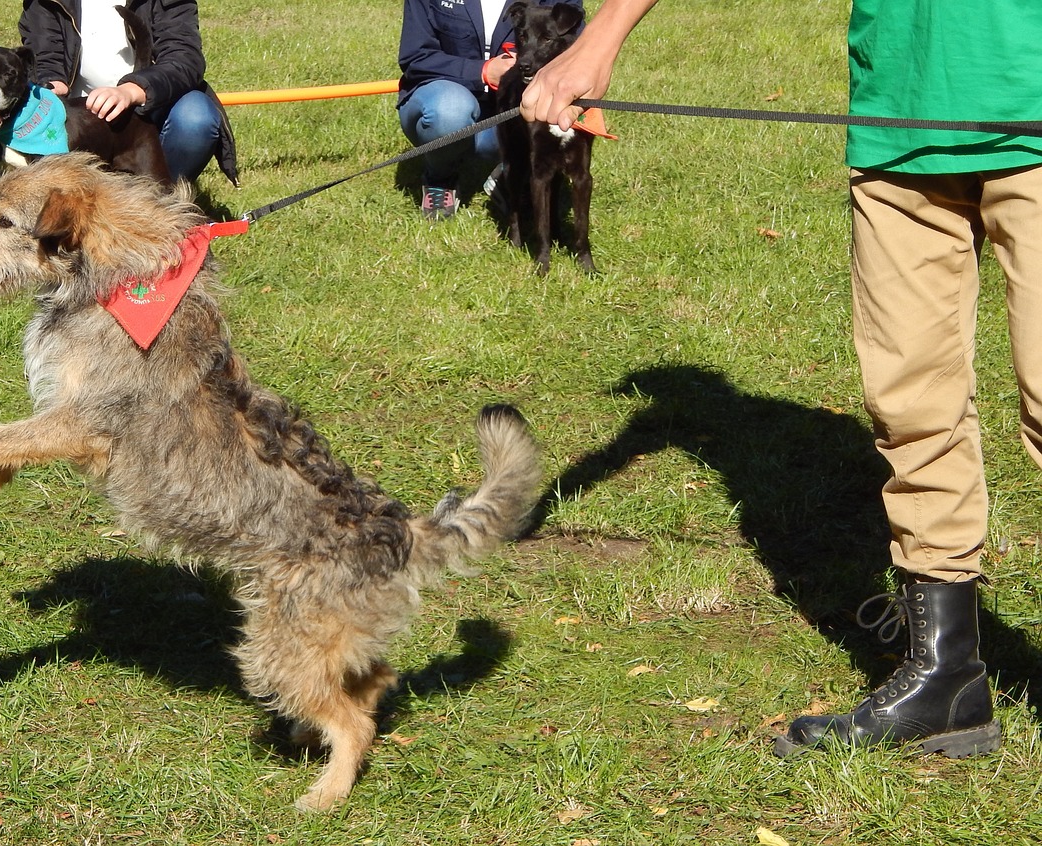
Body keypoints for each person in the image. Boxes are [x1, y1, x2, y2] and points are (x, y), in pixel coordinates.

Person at [523, 0, 1042, 757]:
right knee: (910, 406)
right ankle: (947, 678)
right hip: (899, 116)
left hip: (1029, 108)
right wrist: (599, 40)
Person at [397, 0, 584, 219]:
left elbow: (577, 47)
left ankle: (511, 175)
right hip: (443, 93)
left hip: (512, 105)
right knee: (449, 110)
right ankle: (440, 179)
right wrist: (483, 71)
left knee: (540, 119)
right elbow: (415, 56)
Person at [20, 0, 237, 185]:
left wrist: (132, 90)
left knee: (196, 118)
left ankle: (163, 201)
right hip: (82, 118)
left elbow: (185, 57)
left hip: (154, 106)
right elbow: (44, 56)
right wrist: (51, 84)